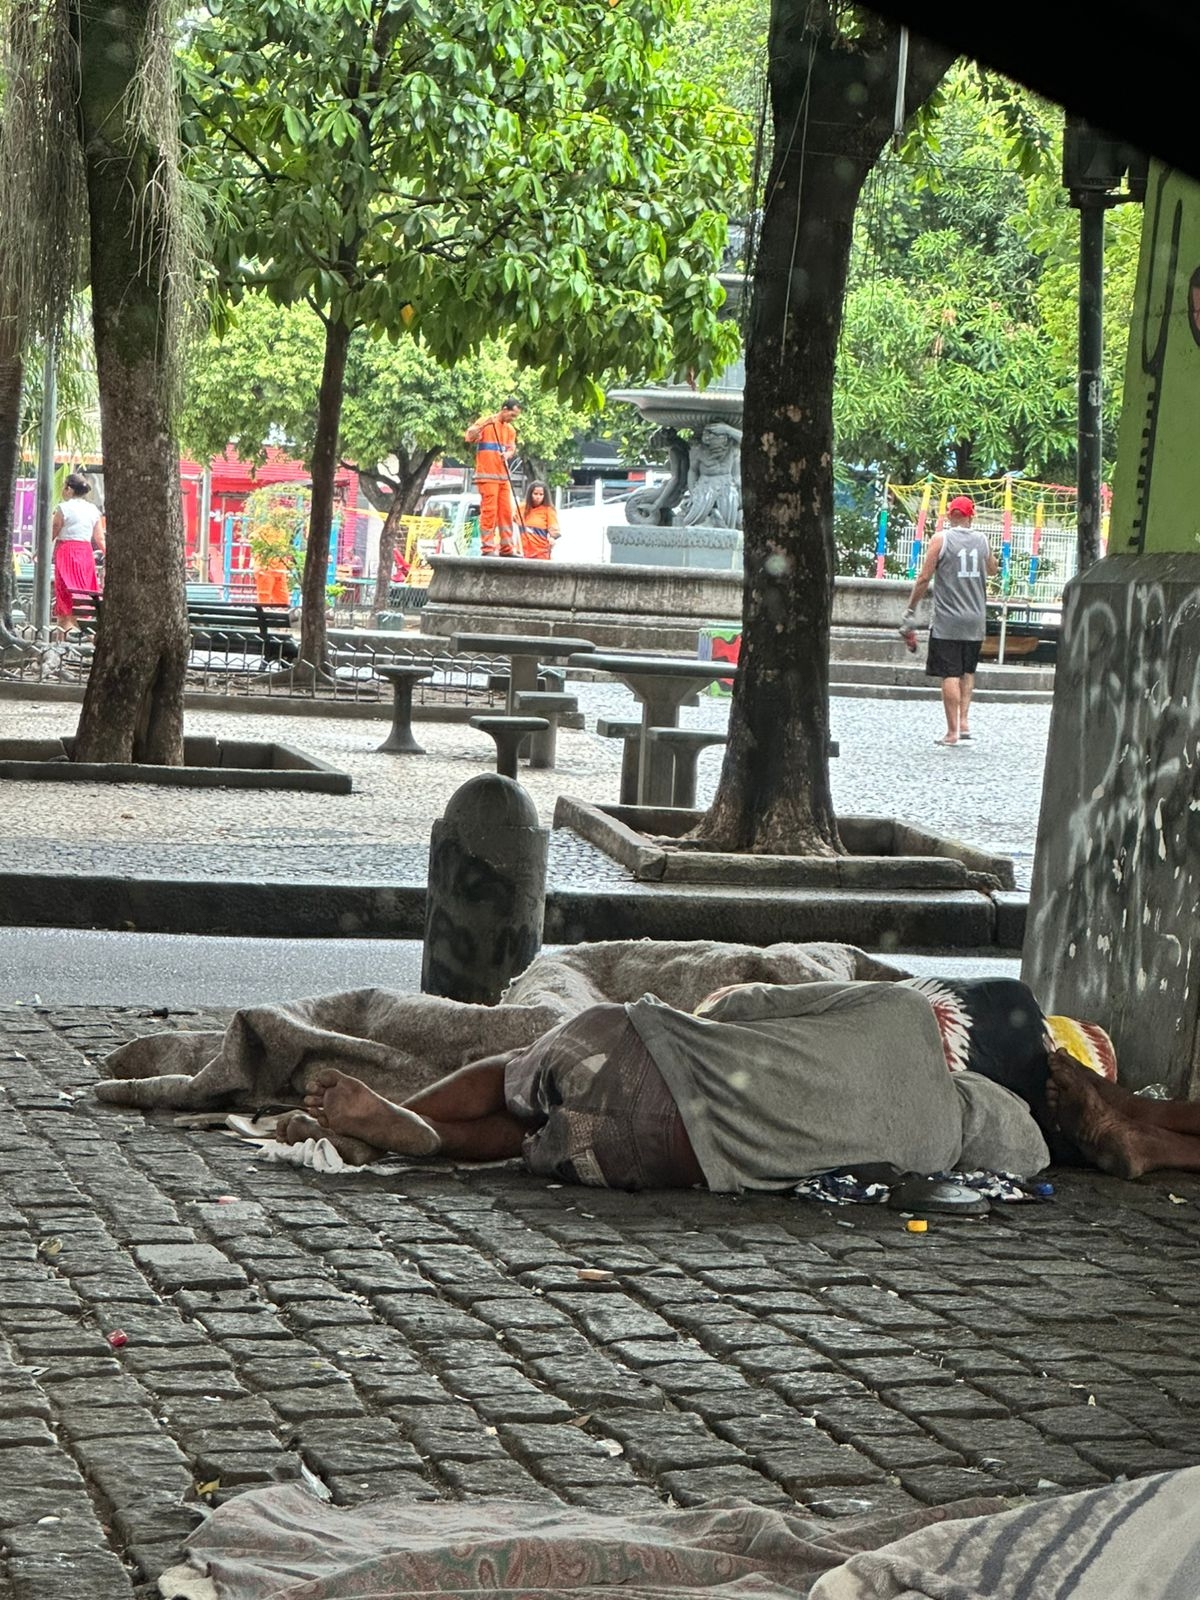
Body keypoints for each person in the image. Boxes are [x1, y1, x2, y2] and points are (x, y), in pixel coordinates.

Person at [276, 976, 1076, 1187]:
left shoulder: (900, 1011)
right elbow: (1027, 1154)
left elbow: (744, 1005)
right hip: (652, 1153)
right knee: (532, 1137)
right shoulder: (936, 1150)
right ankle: (427, 1142)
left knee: (516, 1076)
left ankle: (396, 1122)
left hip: (640, 1052)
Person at [899, 495, 996, 746]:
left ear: (950, 514)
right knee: (967, 670)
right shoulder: (982, 540)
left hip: (948, 620)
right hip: (975, 619)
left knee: (949, 673)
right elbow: (993, 568)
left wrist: (910, 610)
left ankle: (951, 732)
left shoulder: (941, 539)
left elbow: (924, 577)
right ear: (971, 515)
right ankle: (964, 722)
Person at [465, 399, 522, 557]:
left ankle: (507, 548)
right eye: (512, 414)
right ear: (504, 409)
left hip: (503, 477)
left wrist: (508, 454)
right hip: (487, 476)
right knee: (489, 512)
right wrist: (483, 425)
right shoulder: (486, 421)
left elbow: (511, 448)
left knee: (506, 512)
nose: (513, 418)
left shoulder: (510, 430)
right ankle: (488, 548)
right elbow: (469, 436)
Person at [51, 473, 105, 624]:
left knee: (65, 591)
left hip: (66, 551)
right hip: (85, 553)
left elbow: (54, 530)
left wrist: (39, 551)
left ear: (68, 489)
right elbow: (99, 538)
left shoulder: (63, 508)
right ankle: (82, 625)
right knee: (83, 591)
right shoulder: (93, 510)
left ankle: (64, 629)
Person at [520, 482, 560, 560]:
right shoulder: (521, 508)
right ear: (530, 494)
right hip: (522, 551)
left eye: (541, 494)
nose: (538, 497)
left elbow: (554, 529)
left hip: (540, 552)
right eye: (535, 494)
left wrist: (552, 538)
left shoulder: (548, 510)